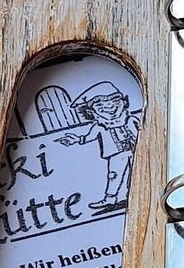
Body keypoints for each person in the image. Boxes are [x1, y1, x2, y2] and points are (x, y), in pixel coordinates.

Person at [56, 81, 140, 210]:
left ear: (123, 102)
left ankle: (135, 195)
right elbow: (89, 137)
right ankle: (110, 199)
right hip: (116, 155)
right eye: (100, 105)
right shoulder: (100, 126)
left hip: (136, 150)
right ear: (91, 112)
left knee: (137, 172)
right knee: (114, 175)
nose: (109, 106)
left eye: (114, 101)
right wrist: (76, 139)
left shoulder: (131, 119)